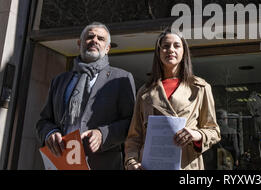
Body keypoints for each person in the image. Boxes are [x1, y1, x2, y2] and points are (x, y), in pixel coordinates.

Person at [36, 22, 136, 170]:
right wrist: (50, 132)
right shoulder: (60, 80)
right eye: (90, 37)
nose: (94, 40)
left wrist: (103, 134)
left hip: (101, 164)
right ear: (79, 43)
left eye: (101, 39)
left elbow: (132, 124)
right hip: (62, 162)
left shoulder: (121, 78)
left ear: (107, 48)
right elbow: (44, 121)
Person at [124, 29, 220, 170]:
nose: (171, 50)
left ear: (184, 51)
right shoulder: (145, 92)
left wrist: (196, 134)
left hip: (186, 165)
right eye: (165, 46)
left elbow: (214, 131)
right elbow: (134, 138)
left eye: (176, 45)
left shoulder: (200, 88)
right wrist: (131, 162)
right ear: (159, 52)